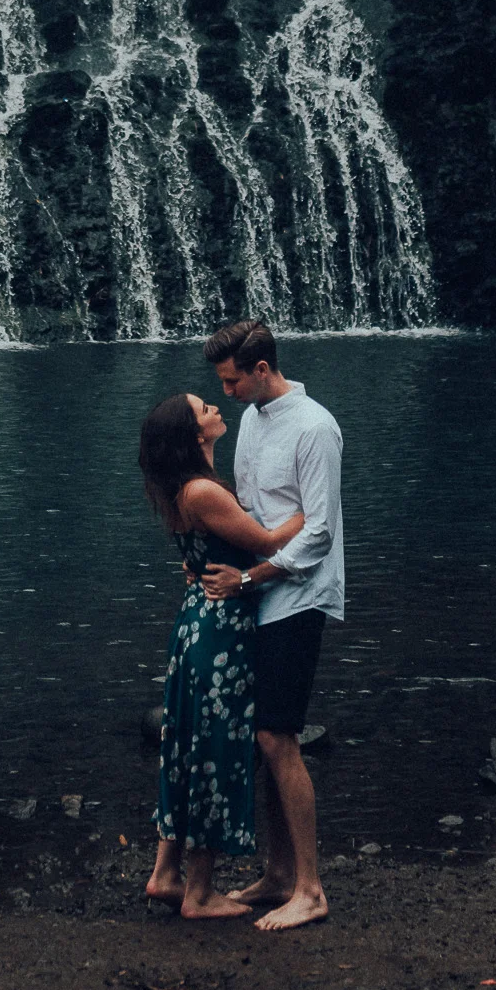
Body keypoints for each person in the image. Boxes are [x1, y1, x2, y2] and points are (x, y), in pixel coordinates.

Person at [138, 391, 306, 919]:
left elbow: (209, 551)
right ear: (195, 435)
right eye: (204, 408)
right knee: (214, 748)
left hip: (196, 624)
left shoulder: (180, 489)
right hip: (220, 632)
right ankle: (200, 893)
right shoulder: (204, 491)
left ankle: (166, 874)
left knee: (187, 744)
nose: (215, 409)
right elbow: (270, 542)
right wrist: (312, 514)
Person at [199, 320, 343, 932]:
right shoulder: (254, 420)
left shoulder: (315, 427)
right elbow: (255, 509)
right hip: (258, 592)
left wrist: (251, 577)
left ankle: (310, 888)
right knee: (262, 738)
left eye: (231, 380)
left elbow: (320, 531)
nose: (225, 391)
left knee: (277, 737)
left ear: (262, 369)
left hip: (298, 595)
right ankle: (279, 873)